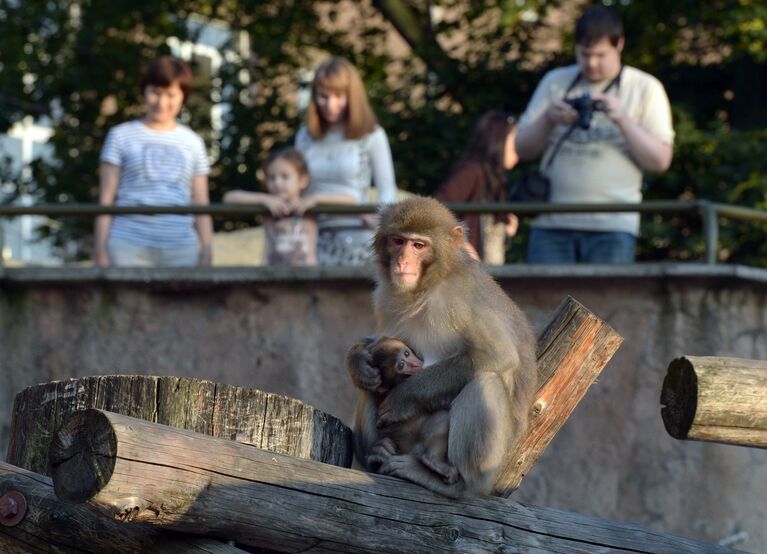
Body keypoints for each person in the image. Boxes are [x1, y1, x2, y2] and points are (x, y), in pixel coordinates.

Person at [515, 5, 674, 263]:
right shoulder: (555, 82)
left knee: (604, 305)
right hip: (551, 225)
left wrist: (623, 119)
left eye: (600, 55)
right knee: (546, 304)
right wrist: (548, 120)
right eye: (584, 54)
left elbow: (660, 160)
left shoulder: (644, 88)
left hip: (613, 228)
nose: (591, 63)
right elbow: (521, 149)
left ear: (619, 45)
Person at [94, 56, 213, 267]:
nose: (162, 102)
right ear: (144, 92)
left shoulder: (193, 142)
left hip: (180, 246)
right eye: (155, 92)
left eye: (170, 95)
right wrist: (101, 250)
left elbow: (201, 203)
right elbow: (106, 199)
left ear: (182, 97)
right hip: (128, 244)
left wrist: (207, 249)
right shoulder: (120, 136)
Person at [294, 57, 397, 266]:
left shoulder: (372, 135)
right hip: (312, 236)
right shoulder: (304, 136)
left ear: (352, 96)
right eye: (323, 96)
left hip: (357, 235)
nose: (330, 105)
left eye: (339, 96)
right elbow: (296, 187)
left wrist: (379, 219)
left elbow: (387, 190)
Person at [435, 111, 520, 264]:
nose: (518, 148)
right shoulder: (472, 172)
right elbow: (435, 210)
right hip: (465, 277)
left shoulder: (493, 178)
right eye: (514, 140)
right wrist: (462, 246)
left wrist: (505, 223)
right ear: (499, 141)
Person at [223, 147, 317, 266]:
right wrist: (264, 199)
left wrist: (314, 199)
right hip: (272, 275)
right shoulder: (268, 207)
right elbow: (229, 198)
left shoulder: (309, 208)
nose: (277, 183)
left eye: (285, 176)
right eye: (272, 178)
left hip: (305, 277)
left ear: (303, 181)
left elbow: (347, 199)